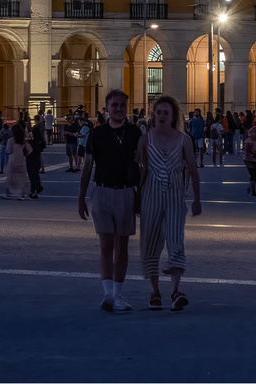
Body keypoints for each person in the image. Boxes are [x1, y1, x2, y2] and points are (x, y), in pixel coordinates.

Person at [80, 90, 143, 313]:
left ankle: (118, 295)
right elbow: (87, 167)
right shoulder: (97, 134)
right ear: (106, 107)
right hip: (103, 192)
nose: (118, 108)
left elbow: (142, 166)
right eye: (114, 105)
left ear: (126, 108)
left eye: (122, 105)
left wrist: (140, 198)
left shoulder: (135, 133)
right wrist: (81, 198)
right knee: (106, 245)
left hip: (126, 192)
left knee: (122, 247)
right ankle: (107, 294)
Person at [139, 96, 201, 311]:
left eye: (167, 112)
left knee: (176, 243)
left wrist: (196, 199)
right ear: (154, 115)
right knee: (152, 245)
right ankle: (155, 293)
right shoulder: (146, 139)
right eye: (159, 112)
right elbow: (143, 169)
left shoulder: (184, 140)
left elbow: (192, 169)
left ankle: (176, 290)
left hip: (175, 197)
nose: (163, 116)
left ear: (173, 115)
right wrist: (138, 198)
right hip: (151, 196)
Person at [4, 121, 31, 200]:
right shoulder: (23, 141)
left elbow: (8, 150)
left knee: (11, 178)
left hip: (13, 161)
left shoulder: (11, 140)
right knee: (22, 178)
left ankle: (8, 192)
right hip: (22, 160)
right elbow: (29, 150)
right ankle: (22, 194)